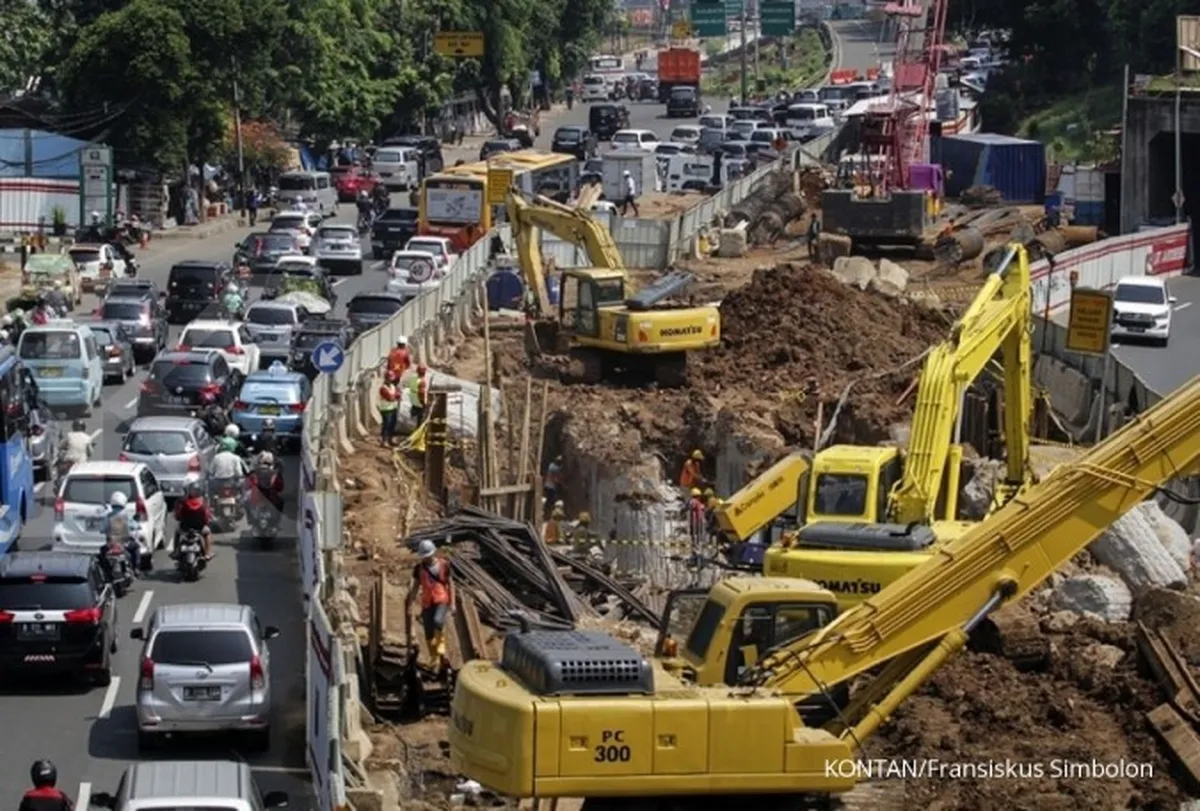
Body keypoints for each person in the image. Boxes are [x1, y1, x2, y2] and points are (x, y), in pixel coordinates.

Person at [407, 539, 454, 673]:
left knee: (438, 621)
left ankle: (441, 646)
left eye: (427, 555)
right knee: (428, 632)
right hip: (427, 601)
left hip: (441, 598)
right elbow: (416, 586)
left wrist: (453, 603)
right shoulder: (418, 569)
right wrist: (411, 603)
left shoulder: (444, 565)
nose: (426, 558)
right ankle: (434, 658)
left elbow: (450, 584)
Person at [102, 491, 143, 573]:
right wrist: (138, 526)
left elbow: (103, 529)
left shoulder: (108, 516)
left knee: (102, 552)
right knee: (136, 547)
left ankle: (105, 571)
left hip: (111, 545)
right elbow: (135, 526)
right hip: (124, 544)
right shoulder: (126, 516)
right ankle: (136, 568)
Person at [173, 482, 214, 559]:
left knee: (177, 532)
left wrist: (178, 518)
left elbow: (178, 515)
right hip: (200, 527)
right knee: (207, 533)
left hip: (185, 527)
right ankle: (208, 553)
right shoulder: (203, 501)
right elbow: (206, 515)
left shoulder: (183, 501)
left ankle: (176, 552)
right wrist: (207, 521)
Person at [247, 451, 285, 516]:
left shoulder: (254, 472)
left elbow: (248, 484)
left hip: (258, 497)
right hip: (270, 496)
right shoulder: (273, 473)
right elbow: (280, 487)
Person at [378, 371, 401, 445]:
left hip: (393, 408)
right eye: (389, 378)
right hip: (386, 409)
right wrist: (396, 396)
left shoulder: (392, 386)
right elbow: (390, 398)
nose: (391, 380)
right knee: (386, 425)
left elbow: (398, 394)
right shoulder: (383, 388)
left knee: (392, 425)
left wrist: (396, 395)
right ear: (386, 379)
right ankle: (384, 441)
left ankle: (390, 440)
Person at [686, 487, 706, 553]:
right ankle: (696, 547)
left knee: (694, 535)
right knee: (697, 534)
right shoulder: (694, 501)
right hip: (697, 521)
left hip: (694, 521)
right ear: (698, 496)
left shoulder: (693, 501)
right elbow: (692, 506)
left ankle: (695, 546)